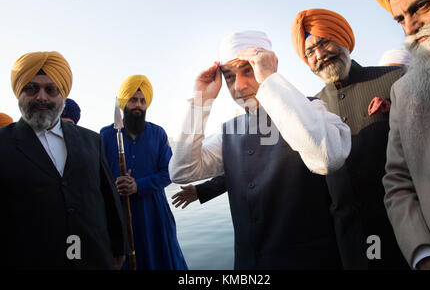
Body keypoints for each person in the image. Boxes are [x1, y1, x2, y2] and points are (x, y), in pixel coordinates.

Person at [169, 30, 351, 269]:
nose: (239, 87)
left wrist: (269, 80)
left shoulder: (311, 110)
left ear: (270, 65)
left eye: (248, 70)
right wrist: (200, 99)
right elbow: (182, 171)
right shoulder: (229, 131)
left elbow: (327, 158)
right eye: (230, 77)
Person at [290, 8, 408, 270]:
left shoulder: (395, 80)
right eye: (310, 52)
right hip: (347, 242)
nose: (319, 55)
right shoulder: (312, 108)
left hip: (402, 232)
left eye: (324, 42)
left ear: (343, 38)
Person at [0, 51, 127, 269]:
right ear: (18, 92)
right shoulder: (3, 144)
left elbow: (108, 198)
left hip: (93, 258)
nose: (42, 97)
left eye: (51, 89)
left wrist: (118, 246)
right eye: (32, 88)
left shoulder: (90, 140)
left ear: (63, 95)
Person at [370, 0, 430, 269]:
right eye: (400, 19)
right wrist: (424, 255)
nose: (410, 28)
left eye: (421, 7)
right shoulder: (404, 91)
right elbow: (397, 182)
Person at [100, 74, 187, 270]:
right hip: (119, 214)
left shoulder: (158, 134)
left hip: (154, 213)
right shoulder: (106, 135)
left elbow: (168, 173)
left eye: (142, 101)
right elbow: (99, 178)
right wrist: (116, 185)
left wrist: (138, 185)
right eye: (133, 100)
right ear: (124, 102)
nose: (138, 105)